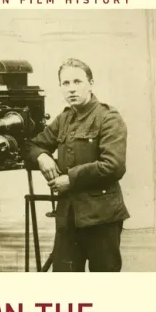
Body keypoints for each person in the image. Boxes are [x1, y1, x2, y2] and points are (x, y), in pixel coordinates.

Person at [27, 58, 130, 272]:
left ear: (90, 83)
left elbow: (113, 165)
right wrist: (42, 156)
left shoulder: (108, 117)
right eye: (65, 83)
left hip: (101, 217)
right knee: (65, 282)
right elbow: (32, 145)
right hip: (68, 217)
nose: (71, 89)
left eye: (77, 82)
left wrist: (70, 179)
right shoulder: (64, 119)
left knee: (105, 283)